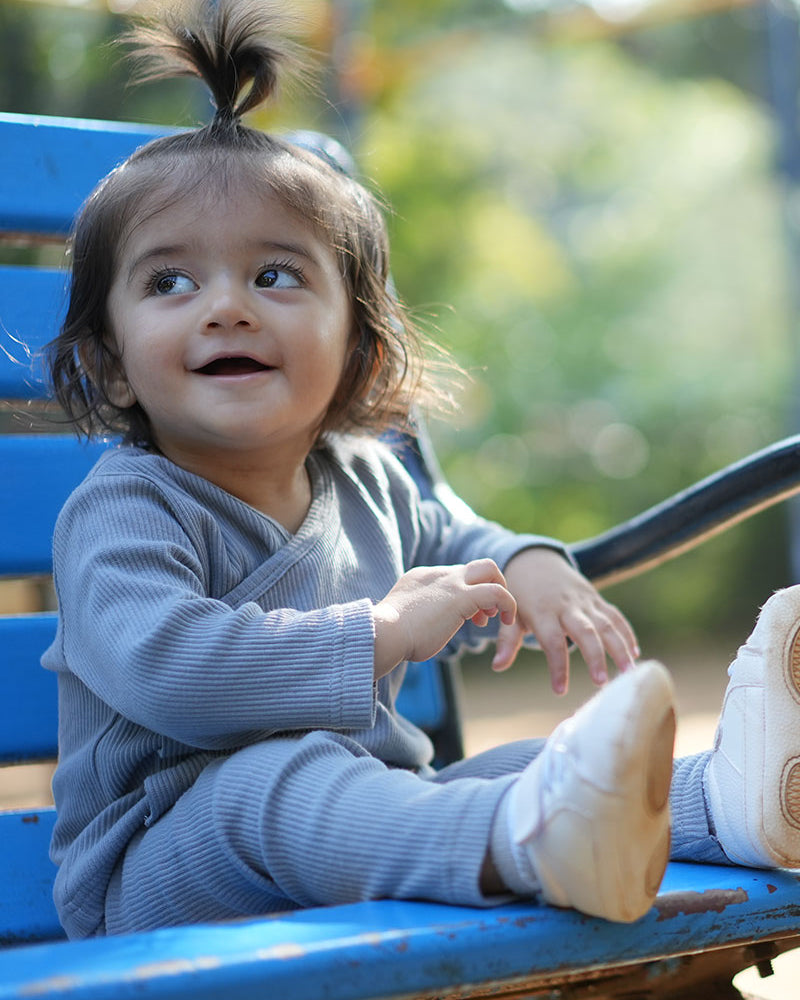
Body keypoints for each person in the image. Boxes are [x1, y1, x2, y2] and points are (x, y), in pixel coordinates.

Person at [42, 0, 800, 940]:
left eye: (275, 275)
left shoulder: (366, 478)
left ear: (357, 350)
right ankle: (545, 845)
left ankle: (736, 802)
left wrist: (525, 564)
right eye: (170, 282)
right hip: (161, 870)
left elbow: (456, 533)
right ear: (112, 360)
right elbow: (169, 673)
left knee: (507, 769)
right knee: (279, 783)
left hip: (366, 811)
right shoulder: (126, 510)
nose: (226, 307)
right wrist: (380, 634)